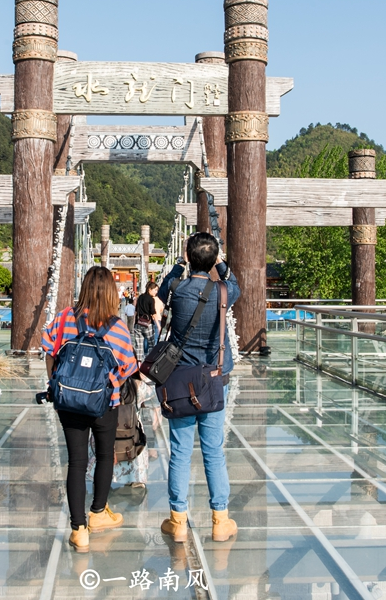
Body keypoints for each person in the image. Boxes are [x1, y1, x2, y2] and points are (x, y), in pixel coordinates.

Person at [42, 266, 139, 553]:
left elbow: (49, 351)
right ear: (111, 292)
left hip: (68, 401)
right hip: (103, 403)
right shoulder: (117, 327)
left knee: (76, 461)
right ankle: (98, 512)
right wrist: (109, 383)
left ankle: (78, 530)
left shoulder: (64, 318)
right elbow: (128, 368)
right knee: (105, 454)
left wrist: (55, 382)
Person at [157, 232, 241, 544]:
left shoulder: (176, 288)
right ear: (214, 259)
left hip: (180, 379)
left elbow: (163, 288)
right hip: (215, 378)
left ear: (189, 257)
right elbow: (236, 286)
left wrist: (181, 265)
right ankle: (220, 519)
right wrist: (220, 262)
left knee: (180, 450)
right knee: (213, 450)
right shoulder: (222, 291)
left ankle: (178, 520)